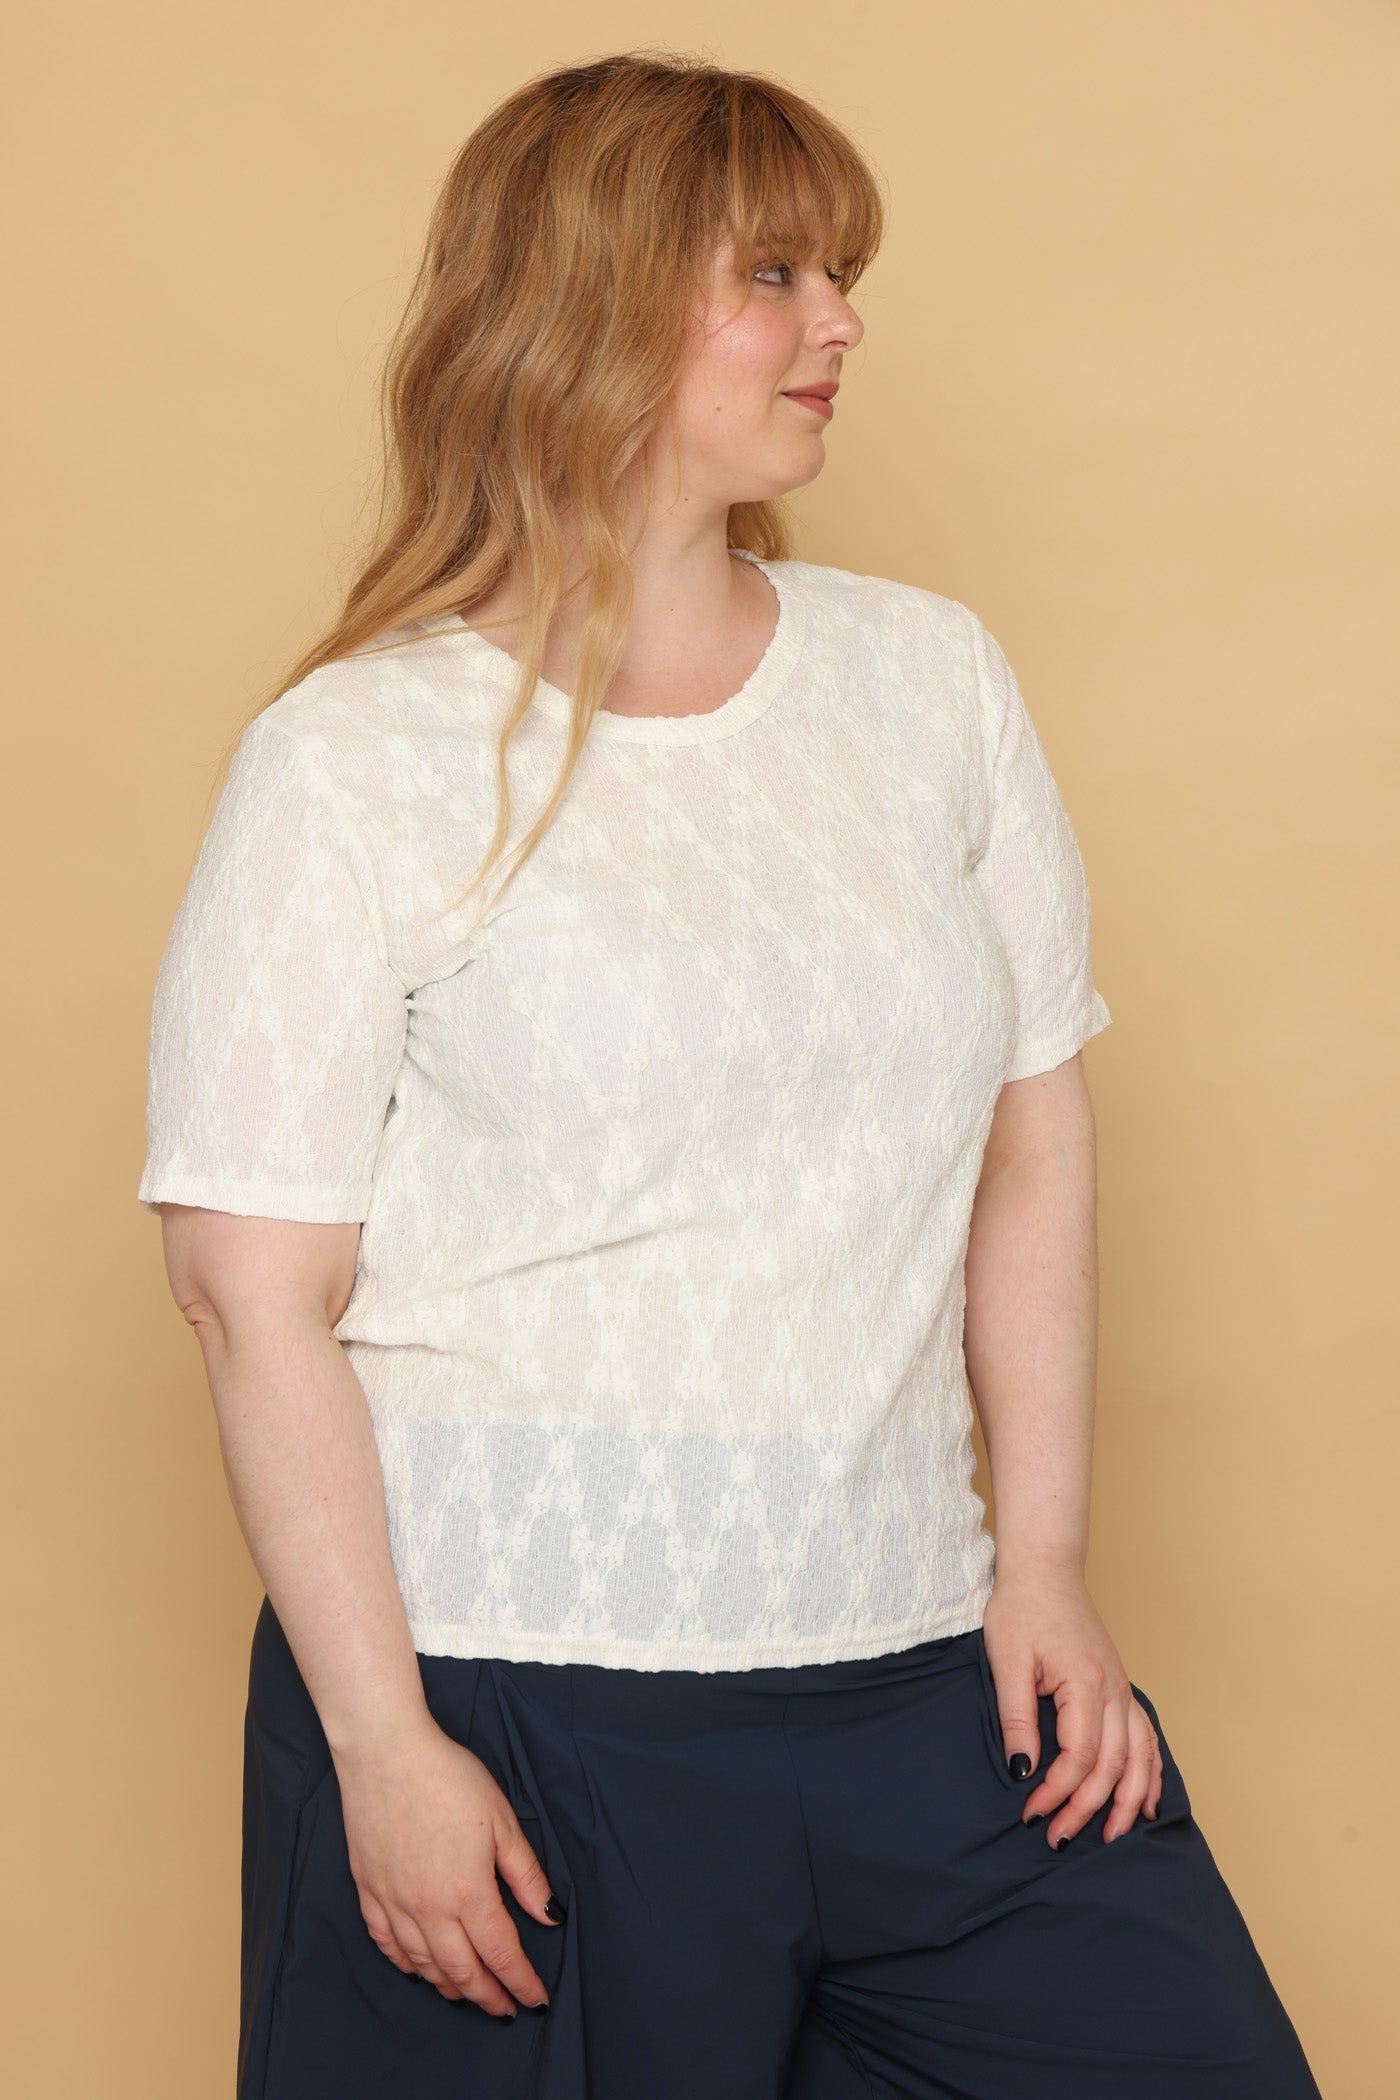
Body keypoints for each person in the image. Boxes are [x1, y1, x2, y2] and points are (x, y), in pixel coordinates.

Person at [137, 50, 1323, 2100]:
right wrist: (381, 1748)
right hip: (513, 1708)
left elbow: (1031, 1134)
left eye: (837, 273)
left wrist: (1040, 1566)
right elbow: (252, 1293)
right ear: (585, 309)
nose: (840, 322)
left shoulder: (930, 680)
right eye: (773, 274)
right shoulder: (353, 762)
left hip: (925, 1677)